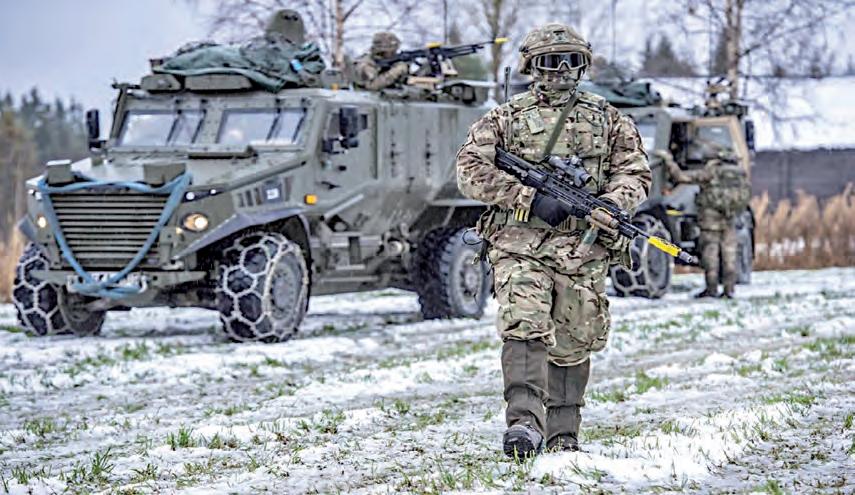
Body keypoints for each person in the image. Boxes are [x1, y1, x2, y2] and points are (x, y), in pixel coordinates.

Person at [455, 23, 651, 457]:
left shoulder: (610, 119)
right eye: (550, 60)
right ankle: (524, 423)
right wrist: (527, 197)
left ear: (583, 65)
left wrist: (611, 204)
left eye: (571, 60)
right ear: (531, 65)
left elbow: (635, 173)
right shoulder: (504, 118)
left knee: (573, 337)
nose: (561, 69)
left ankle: (564, 434)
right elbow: (469, 170)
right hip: (519, 242)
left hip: (581, 247)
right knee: (523, 323)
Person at [655, 141, 750, 298]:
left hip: (710, 221)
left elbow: (681, 177)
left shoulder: (711, 171)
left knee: (710, 256)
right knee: (730, 256)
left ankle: (711, 289)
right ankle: (729, 290)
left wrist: (669, 161)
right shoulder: (739, 173)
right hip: (730, 219)